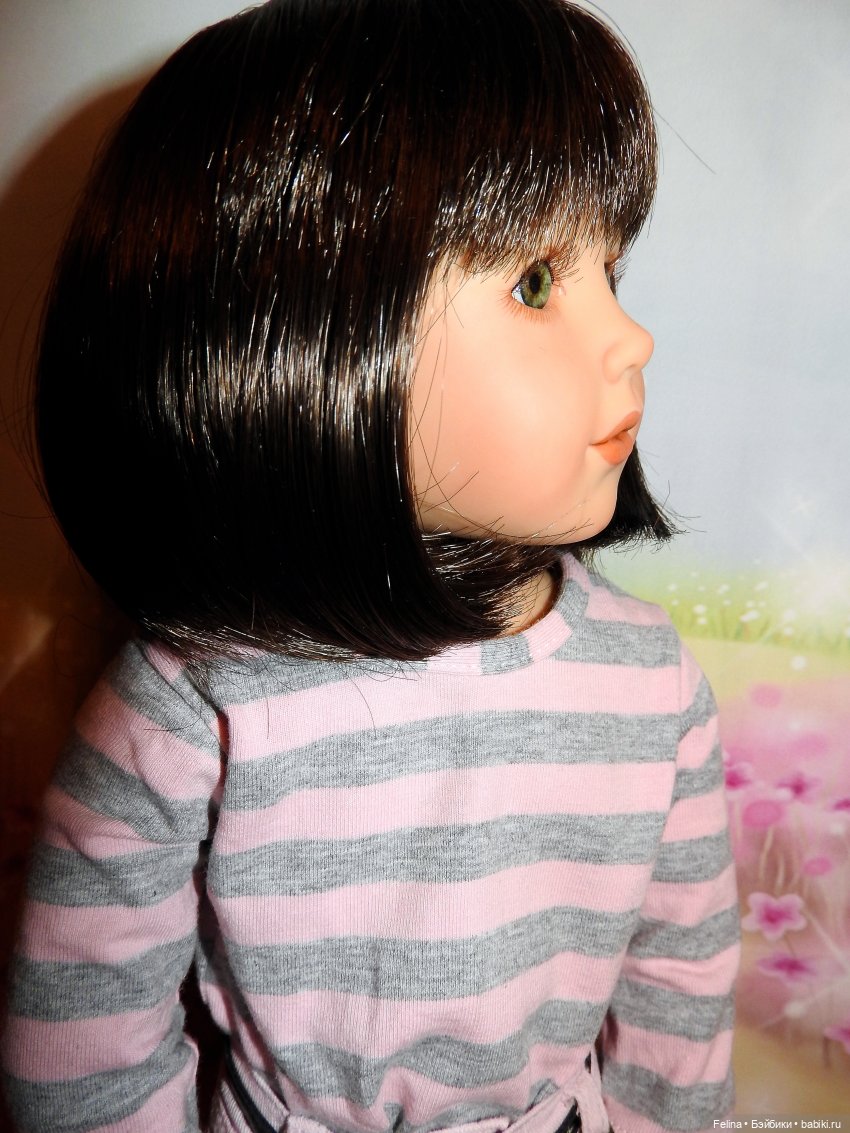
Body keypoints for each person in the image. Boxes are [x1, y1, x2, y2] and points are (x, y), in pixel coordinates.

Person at [0, 1, 740, 1130]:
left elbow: (680, 993)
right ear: (308, 337)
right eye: (538, 282)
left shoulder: (648, 683)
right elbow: (86, 1038)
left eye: (612, 270)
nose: (630, 337)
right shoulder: (200, 704)